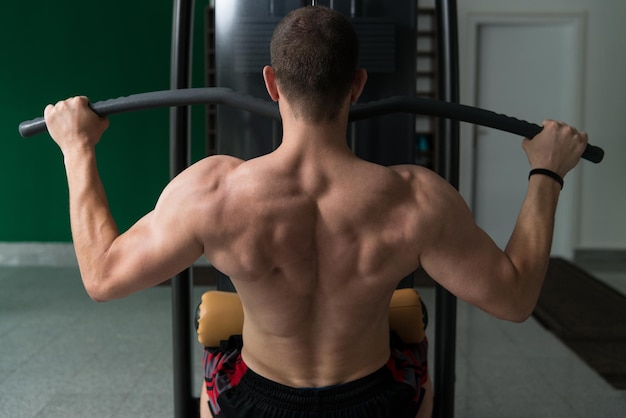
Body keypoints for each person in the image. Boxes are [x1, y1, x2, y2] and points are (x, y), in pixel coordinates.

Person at [43, 5, 588, 418]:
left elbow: (103, 276)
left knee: (212, 351)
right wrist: (547, 173)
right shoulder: (415, 198)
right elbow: (515, 299)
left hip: (255, 403)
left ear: (271, 84)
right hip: (377, 402)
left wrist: (77, 149)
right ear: (357, 85)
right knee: (414, 341)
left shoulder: (212, 190)